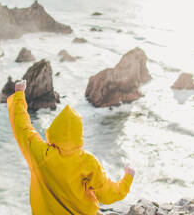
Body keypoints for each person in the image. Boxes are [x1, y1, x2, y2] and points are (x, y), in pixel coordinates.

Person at [7, 80, 135, 215]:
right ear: (79, 134)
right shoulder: (87, 161)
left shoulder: (41, 153)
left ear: (54, 130)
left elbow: (22, 127)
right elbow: (109, 194)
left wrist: (19, 94)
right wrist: (128, 177)